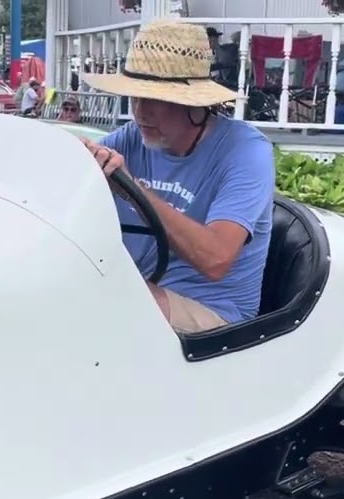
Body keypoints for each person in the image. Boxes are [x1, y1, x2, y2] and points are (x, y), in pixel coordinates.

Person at [78, 19, 275, 333]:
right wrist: (77, 159)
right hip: (143, 289)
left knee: (102, 301)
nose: (141, 112)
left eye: (156, 99)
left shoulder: (246, 151)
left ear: (192, 102)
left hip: (215, 313)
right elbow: (76, 180)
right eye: (135, 96)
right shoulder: (133, 137)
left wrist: (135, 190)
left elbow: (216, 259)